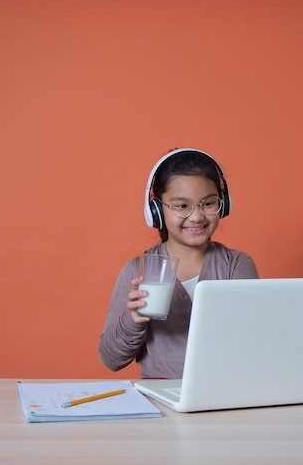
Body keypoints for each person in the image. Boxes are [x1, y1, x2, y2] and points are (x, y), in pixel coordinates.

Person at [98, 148, 259, 379]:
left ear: (223, 204)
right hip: (159, 398)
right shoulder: (138, 271)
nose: (197, 216)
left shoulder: (237, 265)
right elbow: (111, 359)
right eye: (182, 206)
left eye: (208, 203)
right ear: (157, 211)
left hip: (222, 394)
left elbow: (252, 345)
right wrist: (133, 321)